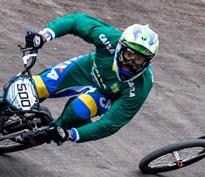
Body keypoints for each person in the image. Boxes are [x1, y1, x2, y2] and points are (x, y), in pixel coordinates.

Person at [21, 13, 159, 146]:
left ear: (147, 62)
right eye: (129, 55)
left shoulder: (141, 87)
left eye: (139, 59)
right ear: (120, 47)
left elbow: (109, 124)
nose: (131, 64)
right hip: (87, 70)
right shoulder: (110, 38)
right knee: (36, 86)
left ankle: (51, 132)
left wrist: (70, 134)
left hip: (106, 95)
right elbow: (76, 21)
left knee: (78, 110)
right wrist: (43, 36)